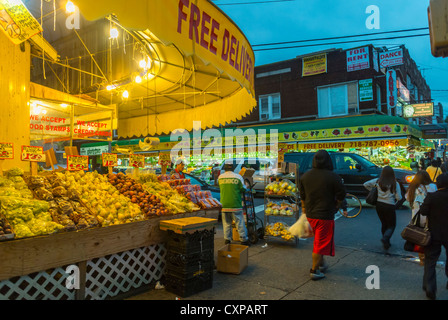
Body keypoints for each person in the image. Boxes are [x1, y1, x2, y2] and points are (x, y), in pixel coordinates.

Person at [298, 150, 346, 280]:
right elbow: (342, 195)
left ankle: (321, 263)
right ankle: (314, 270)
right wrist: (337, 205)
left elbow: (302, 196)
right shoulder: (334, 177)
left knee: (319, 240)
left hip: (310, 214)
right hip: (325, 215)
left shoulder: (305, 176)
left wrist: (304, 210)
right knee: (320, 243)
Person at [418, 173, 448, 300]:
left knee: (430, 261)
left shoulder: (432, 196)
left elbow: (423, 211)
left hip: (434, 233)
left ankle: (430, 286)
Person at [364, 166, 402, 251]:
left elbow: (365, 184)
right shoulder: (395, 183)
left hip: (379, 205)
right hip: (390, 205)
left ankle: (386, 242)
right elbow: (399, 197)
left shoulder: (378, 181)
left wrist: (373, 190)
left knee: (384, 223)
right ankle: (386, 238)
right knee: (392, 225)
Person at [405, 170, 437, 265]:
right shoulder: (432, 186)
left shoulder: (413, 188)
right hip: (430, 216)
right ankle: (429, 256)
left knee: (419, 237)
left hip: (417, 217)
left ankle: (422, 259)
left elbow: (407, 198)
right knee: (430, 236)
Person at [218, 163, 249, 246]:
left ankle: (227, 240)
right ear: (233, 169)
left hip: (224, 204)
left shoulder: (220, 177)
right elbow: (243, 189)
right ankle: (243, 240)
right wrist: (247, 186)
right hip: (235, 204)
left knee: (226, 223)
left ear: (225, 169)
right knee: (239, 222)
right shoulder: (238, 177)